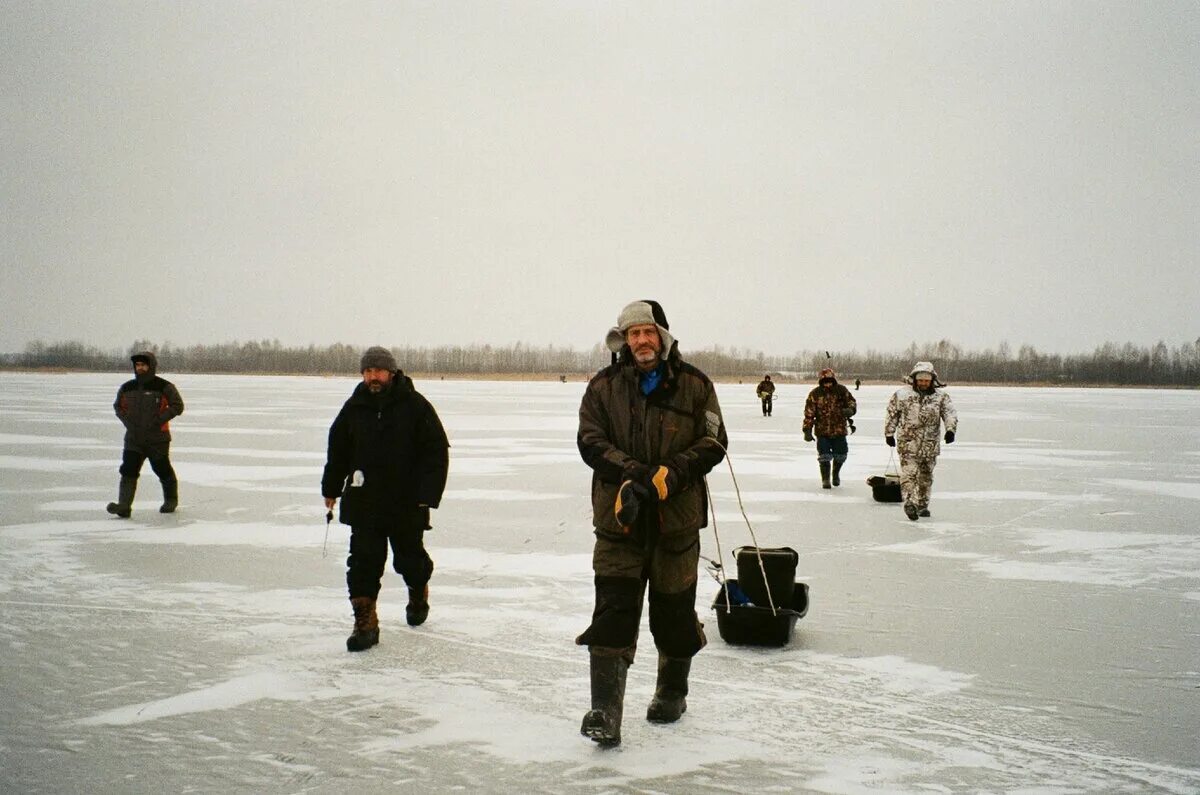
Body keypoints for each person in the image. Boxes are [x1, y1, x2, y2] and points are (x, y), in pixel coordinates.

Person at [576, 300, 728, 747]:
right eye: (632, 334)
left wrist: (670, 475)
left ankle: (671, 692)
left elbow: (715, 440)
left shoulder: (695, 385)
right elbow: (589, 441)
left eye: (648, 332)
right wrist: (634, 475)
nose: (641, 341)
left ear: (663, 335)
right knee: (613, 612)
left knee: (674, 615)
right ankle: (605, 710)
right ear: (623, 340)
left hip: (676, 523)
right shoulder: (602, 387)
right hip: (619, 522)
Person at [321, 346, 449, 652]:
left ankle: (418, 590)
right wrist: (331, 488)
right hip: (365, 503)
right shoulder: (354, 407)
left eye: (377, 371)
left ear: (391, 372)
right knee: (363, 564)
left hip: (406, 503)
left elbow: (436, 452)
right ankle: (365, 624)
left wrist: (427, 496)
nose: (372, 377)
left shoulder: (415, 406)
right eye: (367, 372)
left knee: (410, 560)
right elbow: (337, 450)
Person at [107, 351, 184, 517]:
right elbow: (118, 407)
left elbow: (178, 406)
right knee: (128, 470)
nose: (140, 368)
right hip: (133, 439)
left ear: (151, 366)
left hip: (157, 439)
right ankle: (124, 506)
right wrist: (128, 422)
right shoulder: (127, 388)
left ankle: (171, 500)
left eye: (143, 365)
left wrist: (159, 420)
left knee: (162, 469)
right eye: (137, 365)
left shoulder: (164, 386)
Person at [884, 361, 958, 521]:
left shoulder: (941, 397)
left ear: (932, 380)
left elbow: (949, 413)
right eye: (920, 380)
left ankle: (923, 505)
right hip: (908, 443)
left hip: (930, 445)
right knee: (909, 474)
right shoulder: (902, 395)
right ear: (915, 379)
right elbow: (892, 414)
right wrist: (889, 433)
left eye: (926, 380)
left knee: (925, 477)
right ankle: (910, 502)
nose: (923, 383)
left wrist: (950, 430)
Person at [802, 368, 857, 489]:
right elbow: (809, 413)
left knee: (841, 455)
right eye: (825, 381)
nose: (828, 383)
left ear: (833, 380)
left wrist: (851, 410)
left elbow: (852, 402)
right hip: (822, 431)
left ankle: (835, 473)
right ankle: (825, 479)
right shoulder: (815, 394)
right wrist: (807, 430)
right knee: (824, 456)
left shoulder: (841, 390)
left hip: (839, 430)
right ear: (821, 381)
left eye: (830, 381)